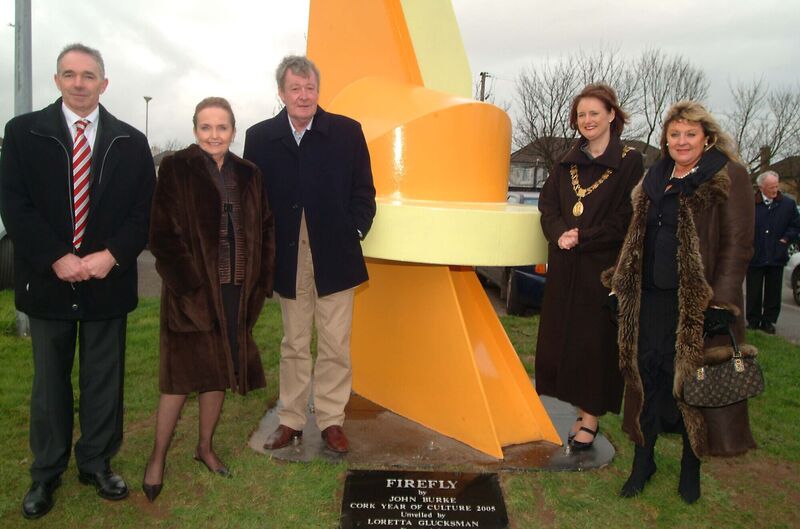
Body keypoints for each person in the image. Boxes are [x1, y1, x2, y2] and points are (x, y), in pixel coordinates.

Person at [0, 43, 155, 519]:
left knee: (103, 381)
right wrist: (55, 258)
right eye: (69, 74)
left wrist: (112, 255)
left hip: (107, 280)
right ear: (57, 80)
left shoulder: (130, 141)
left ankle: (95, 463)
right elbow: (14, 204)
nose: (79, 83)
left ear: (104, 84)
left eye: (89, 76)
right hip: (48, 283)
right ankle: (45, 473)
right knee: (49, 384)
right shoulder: (24, 133)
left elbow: (142, 212)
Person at [610, 101, 757, 504]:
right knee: (648, 378)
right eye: (674, 134)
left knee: (693, 385)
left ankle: (691, 468)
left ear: (706, 138)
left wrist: (721, 302)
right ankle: (644, 461)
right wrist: (619, 284)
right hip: (650, 301)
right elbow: (635, 238)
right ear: (666, 140)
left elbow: (738, 245)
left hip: (698, 304)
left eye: (690, 134)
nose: (682, 141)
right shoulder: (654, 177)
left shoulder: (729, 177)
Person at [142, 97, 275, 502]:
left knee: (220, 371)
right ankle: (157, 457)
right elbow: (161, 235)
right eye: (205, 127)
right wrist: (189, 287)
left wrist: (260, 284)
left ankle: (205, 448)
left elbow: (266, 228)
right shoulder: (177, 169)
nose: (213, 135)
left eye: (221, 127)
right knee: (179, 379)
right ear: (195, 130)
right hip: (192, 293)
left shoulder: (250, 173)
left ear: (233, 130)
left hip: (236, 292)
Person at [243, 55, 376, 454]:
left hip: (335, 253)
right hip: (288, 255)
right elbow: (253, 201)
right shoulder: (260, 137)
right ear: (281, 93)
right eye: (295, 88)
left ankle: (332, 421)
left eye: (310, 88)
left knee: (336, 343)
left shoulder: (347, 133)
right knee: (294, 342)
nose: (304, 95)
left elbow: (364, 193)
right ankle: (292, 420)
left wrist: (353, 231)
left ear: (319, 90)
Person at [535, 83, 643, 452]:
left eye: (594, 113)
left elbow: (626, 216)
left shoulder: (630, 161)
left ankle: (591, 417)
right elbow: (547, 206)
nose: (587, 120)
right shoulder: (566, 161)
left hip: (601, 268)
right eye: (581, 114)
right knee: (564, 340)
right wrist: (560, 233)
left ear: (612, 115)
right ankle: (577, 407)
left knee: (593, 344)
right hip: (566, 266)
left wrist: (583, 236)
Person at [746, 170, 799, 334]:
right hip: (756, 254)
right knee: (753, 290)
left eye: (776, 186)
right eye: (771, 187)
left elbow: (796, 226)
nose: (775, 190)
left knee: (773, 291)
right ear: (761, 187)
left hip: (776, 255)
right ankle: (753, 320)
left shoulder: (788, 204)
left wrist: (785, 239)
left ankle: (768, 321)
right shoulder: (750, 204)